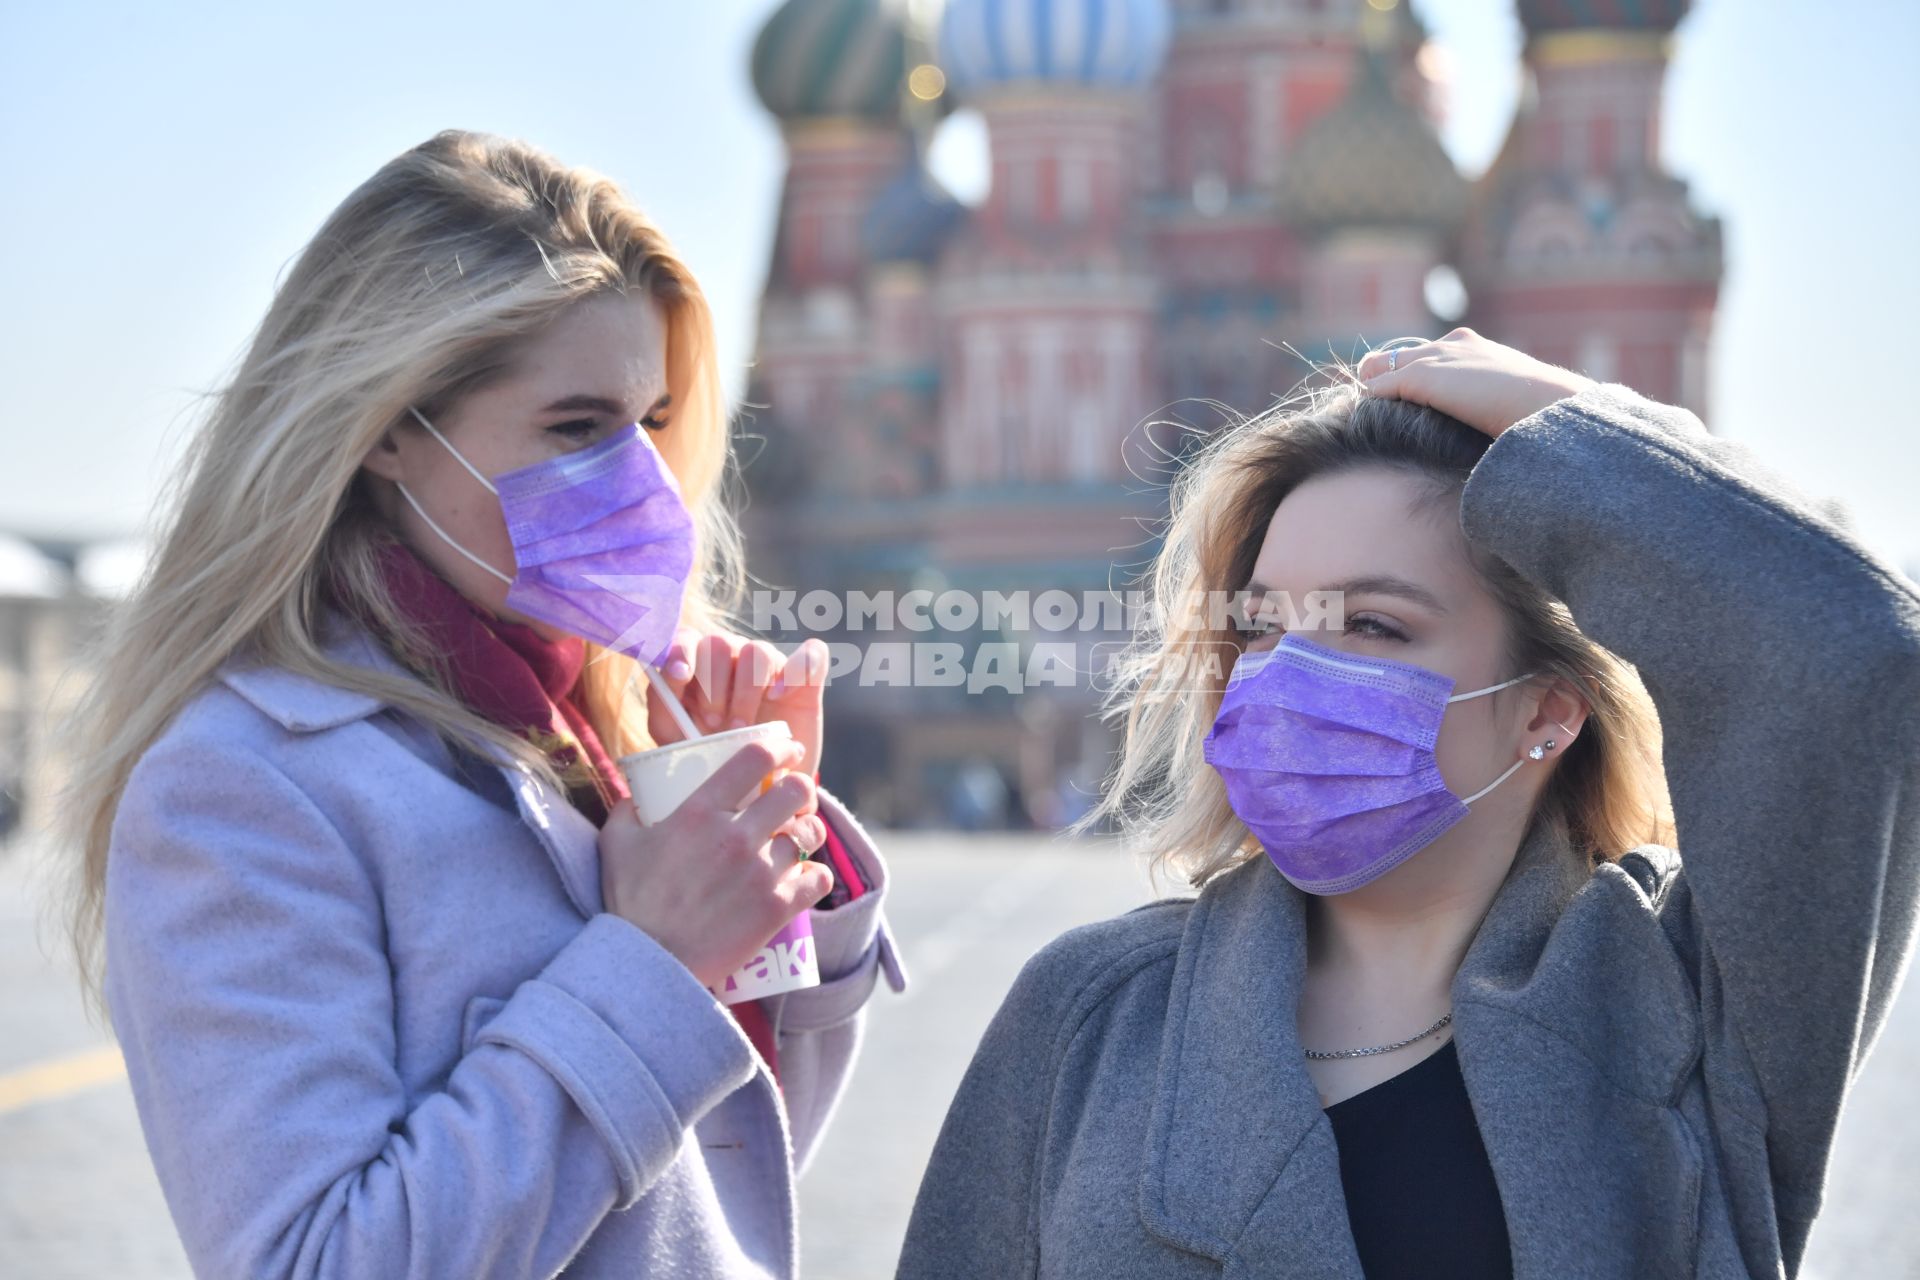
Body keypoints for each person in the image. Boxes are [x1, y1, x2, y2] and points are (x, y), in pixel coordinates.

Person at [56, 128, 905, 1279]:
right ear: (393, 427)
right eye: (576, 426)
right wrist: (653, 952)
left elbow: (728, 1178)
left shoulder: (596, 729)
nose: (647, 483)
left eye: (653, 422)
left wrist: (768, 853)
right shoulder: (244, 781)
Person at [896, 329, 1919, 1278]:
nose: (1288, 672)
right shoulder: (1095, 1013)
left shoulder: (1685, 1000)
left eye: (1373, 626)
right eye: (1260, 626)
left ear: (1547, 711)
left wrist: (1574, 424)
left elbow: (1858, 655)